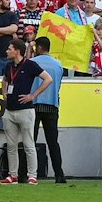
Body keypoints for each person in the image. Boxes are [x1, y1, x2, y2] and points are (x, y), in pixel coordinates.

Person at [0, 36, 49, 185]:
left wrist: (33, 95)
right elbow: (5, 79)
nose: (7, 51)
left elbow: (48, 79)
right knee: (11, 144)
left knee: (28, 144)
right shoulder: (9, 66)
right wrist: (4, 91)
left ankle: (32, 175)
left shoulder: (30, 65)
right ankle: (12, 174)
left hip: (25, 110)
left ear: (17, 51)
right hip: (10, 110)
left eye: (9, 49)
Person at [30, 35, 68, 184]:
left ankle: (26, 173)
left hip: (34, 104)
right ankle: (59, 174)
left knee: (29, 141)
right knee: (53, 142)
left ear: (38, 48)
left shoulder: (32, 62)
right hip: (52, 104)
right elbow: (58, 84)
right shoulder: (58, 64)